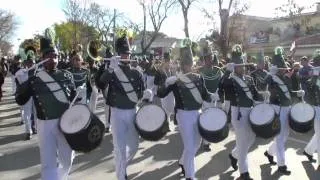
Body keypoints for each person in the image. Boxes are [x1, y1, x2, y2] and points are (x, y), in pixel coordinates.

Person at [15, 34, 77, 180]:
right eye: (48, 55)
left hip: (64, 122)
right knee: (48, 163)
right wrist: (24, 82)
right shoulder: (34, 79)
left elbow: (75, 98)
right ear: (42, 58)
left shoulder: (67, 76)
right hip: (45, 123)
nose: (52, 59)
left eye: (55, 55)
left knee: (67, 159)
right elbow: (20, 100)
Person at [157, 39, 218, 180]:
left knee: (196, 144)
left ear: (193, 64)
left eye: (189, 64)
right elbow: (161, 94)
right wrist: (166, 83)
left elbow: (204, 96)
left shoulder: (198, 78)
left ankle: (183, 162)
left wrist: (213, 96)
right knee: (190, 146)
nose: (187, 66)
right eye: (185, 64)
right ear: (181, 64)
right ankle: (191, 176)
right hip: (183, 115)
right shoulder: (176, 80)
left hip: (197, 113)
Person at [96, 32, 148, 180]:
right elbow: (100, 84)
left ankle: (121, 166)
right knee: (119, 148)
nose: (126, 56)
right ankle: (121, 176)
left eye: (128, 54)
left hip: (132, 111)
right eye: (123, 54)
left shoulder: (137, 73)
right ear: (118, 55)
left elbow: (140, 93)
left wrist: (147, 95)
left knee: (134, 146)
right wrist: (110, 69)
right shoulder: (111, 70)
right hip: (117, 112)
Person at [218, 44, 263, 180]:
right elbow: (221, 86)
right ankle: (244, 173)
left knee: (251, 138)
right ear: (234, 66)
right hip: (237, 113)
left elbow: (255, 95)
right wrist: (227, 72)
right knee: (242, 143)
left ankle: (234, 155)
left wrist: (264, 96)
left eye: (243, 65)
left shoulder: (249, 79)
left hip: (250, 112)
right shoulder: (230, 80)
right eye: (239, 65)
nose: (242, 67)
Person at [263, 46, 304, 175]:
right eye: (281, 68)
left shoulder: (286, 78)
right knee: (280, 138)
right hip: (276, 109)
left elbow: (289, 93)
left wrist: (298, 93)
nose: (284, 70)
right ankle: (281, 165)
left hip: (287, 108)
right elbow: (262, 85)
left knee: (284, 136)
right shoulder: (271, 77)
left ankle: (269, 153)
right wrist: (271, 73)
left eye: (283, 68)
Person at [198, 40, 224, 152]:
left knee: (215, 119)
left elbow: (222, 82)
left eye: (210, 58)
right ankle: (205, 142)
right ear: (203, 60)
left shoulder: (218, 70)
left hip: (217, 99)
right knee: (206, 120)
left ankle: (213, 136)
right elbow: (199, 87)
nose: (209, 60)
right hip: (206, 100)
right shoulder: (200, 71)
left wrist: (219, 93)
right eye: (206, 58)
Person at [303, 50, 320, 170]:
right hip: (317, 108)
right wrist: (315, 76)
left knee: (319, 135)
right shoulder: (312, 80)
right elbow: (310, 92)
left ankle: (308, 151)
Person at [15, 49, 37, 140]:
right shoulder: (21, 72)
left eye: (32, 62)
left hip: (35, 95)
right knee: (27, 114)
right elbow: (18, 80)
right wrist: (24, 72)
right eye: (29, 62)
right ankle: (29, 131)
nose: (30, 64)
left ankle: (34, 128)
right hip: (26, 95)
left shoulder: (37, 71)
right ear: (26, 63)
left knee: (36, 113)